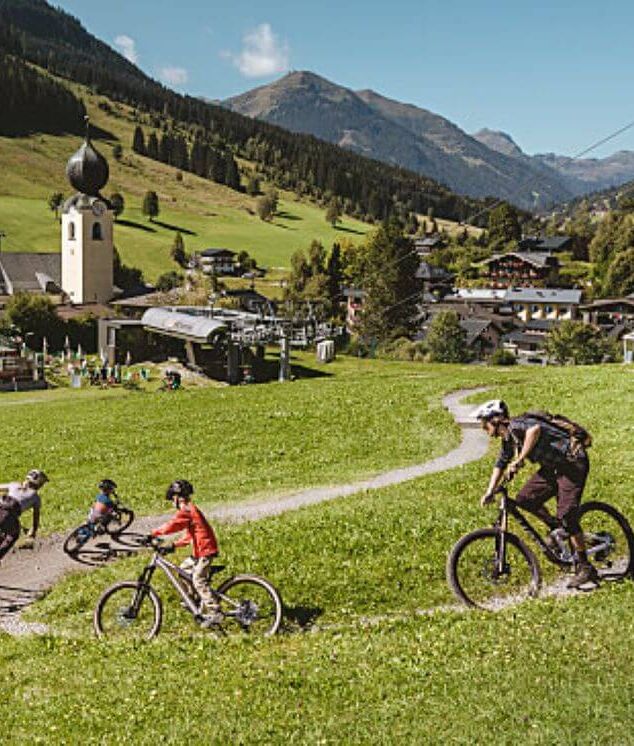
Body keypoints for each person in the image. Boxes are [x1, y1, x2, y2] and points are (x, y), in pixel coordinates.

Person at [476, 399, 598, 589]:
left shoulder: (517, 425)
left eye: (485, 423)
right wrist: (490, 491)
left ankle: (585, 567)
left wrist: (520, 459)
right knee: (526, 499)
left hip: (572, 463)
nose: (484, 428)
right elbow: (500, 465)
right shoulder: (508, 440)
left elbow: (534, 430)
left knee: (567, 513)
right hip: (553, 467)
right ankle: (560, 530)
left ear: (497, 420)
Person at [150, 480, 221, 625]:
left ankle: (215, 611)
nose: (172, 502)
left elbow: (173, 525)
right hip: (199, 551)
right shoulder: (190, 510)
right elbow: (190, 536)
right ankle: (192, 600)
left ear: (176, 497)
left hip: (205, 551)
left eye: (172, 499)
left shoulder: (187, 510)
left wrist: (154, 533)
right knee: (183, 569)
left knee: (198, 580)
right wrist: (174, 545)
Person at [0, 469, 49, 562]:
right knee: (14, 534)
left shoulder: (14, 485)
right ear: (38, 484)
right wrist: (33, 531)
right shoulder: (35, 497)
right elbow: (36, 517)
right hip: (9, 516)